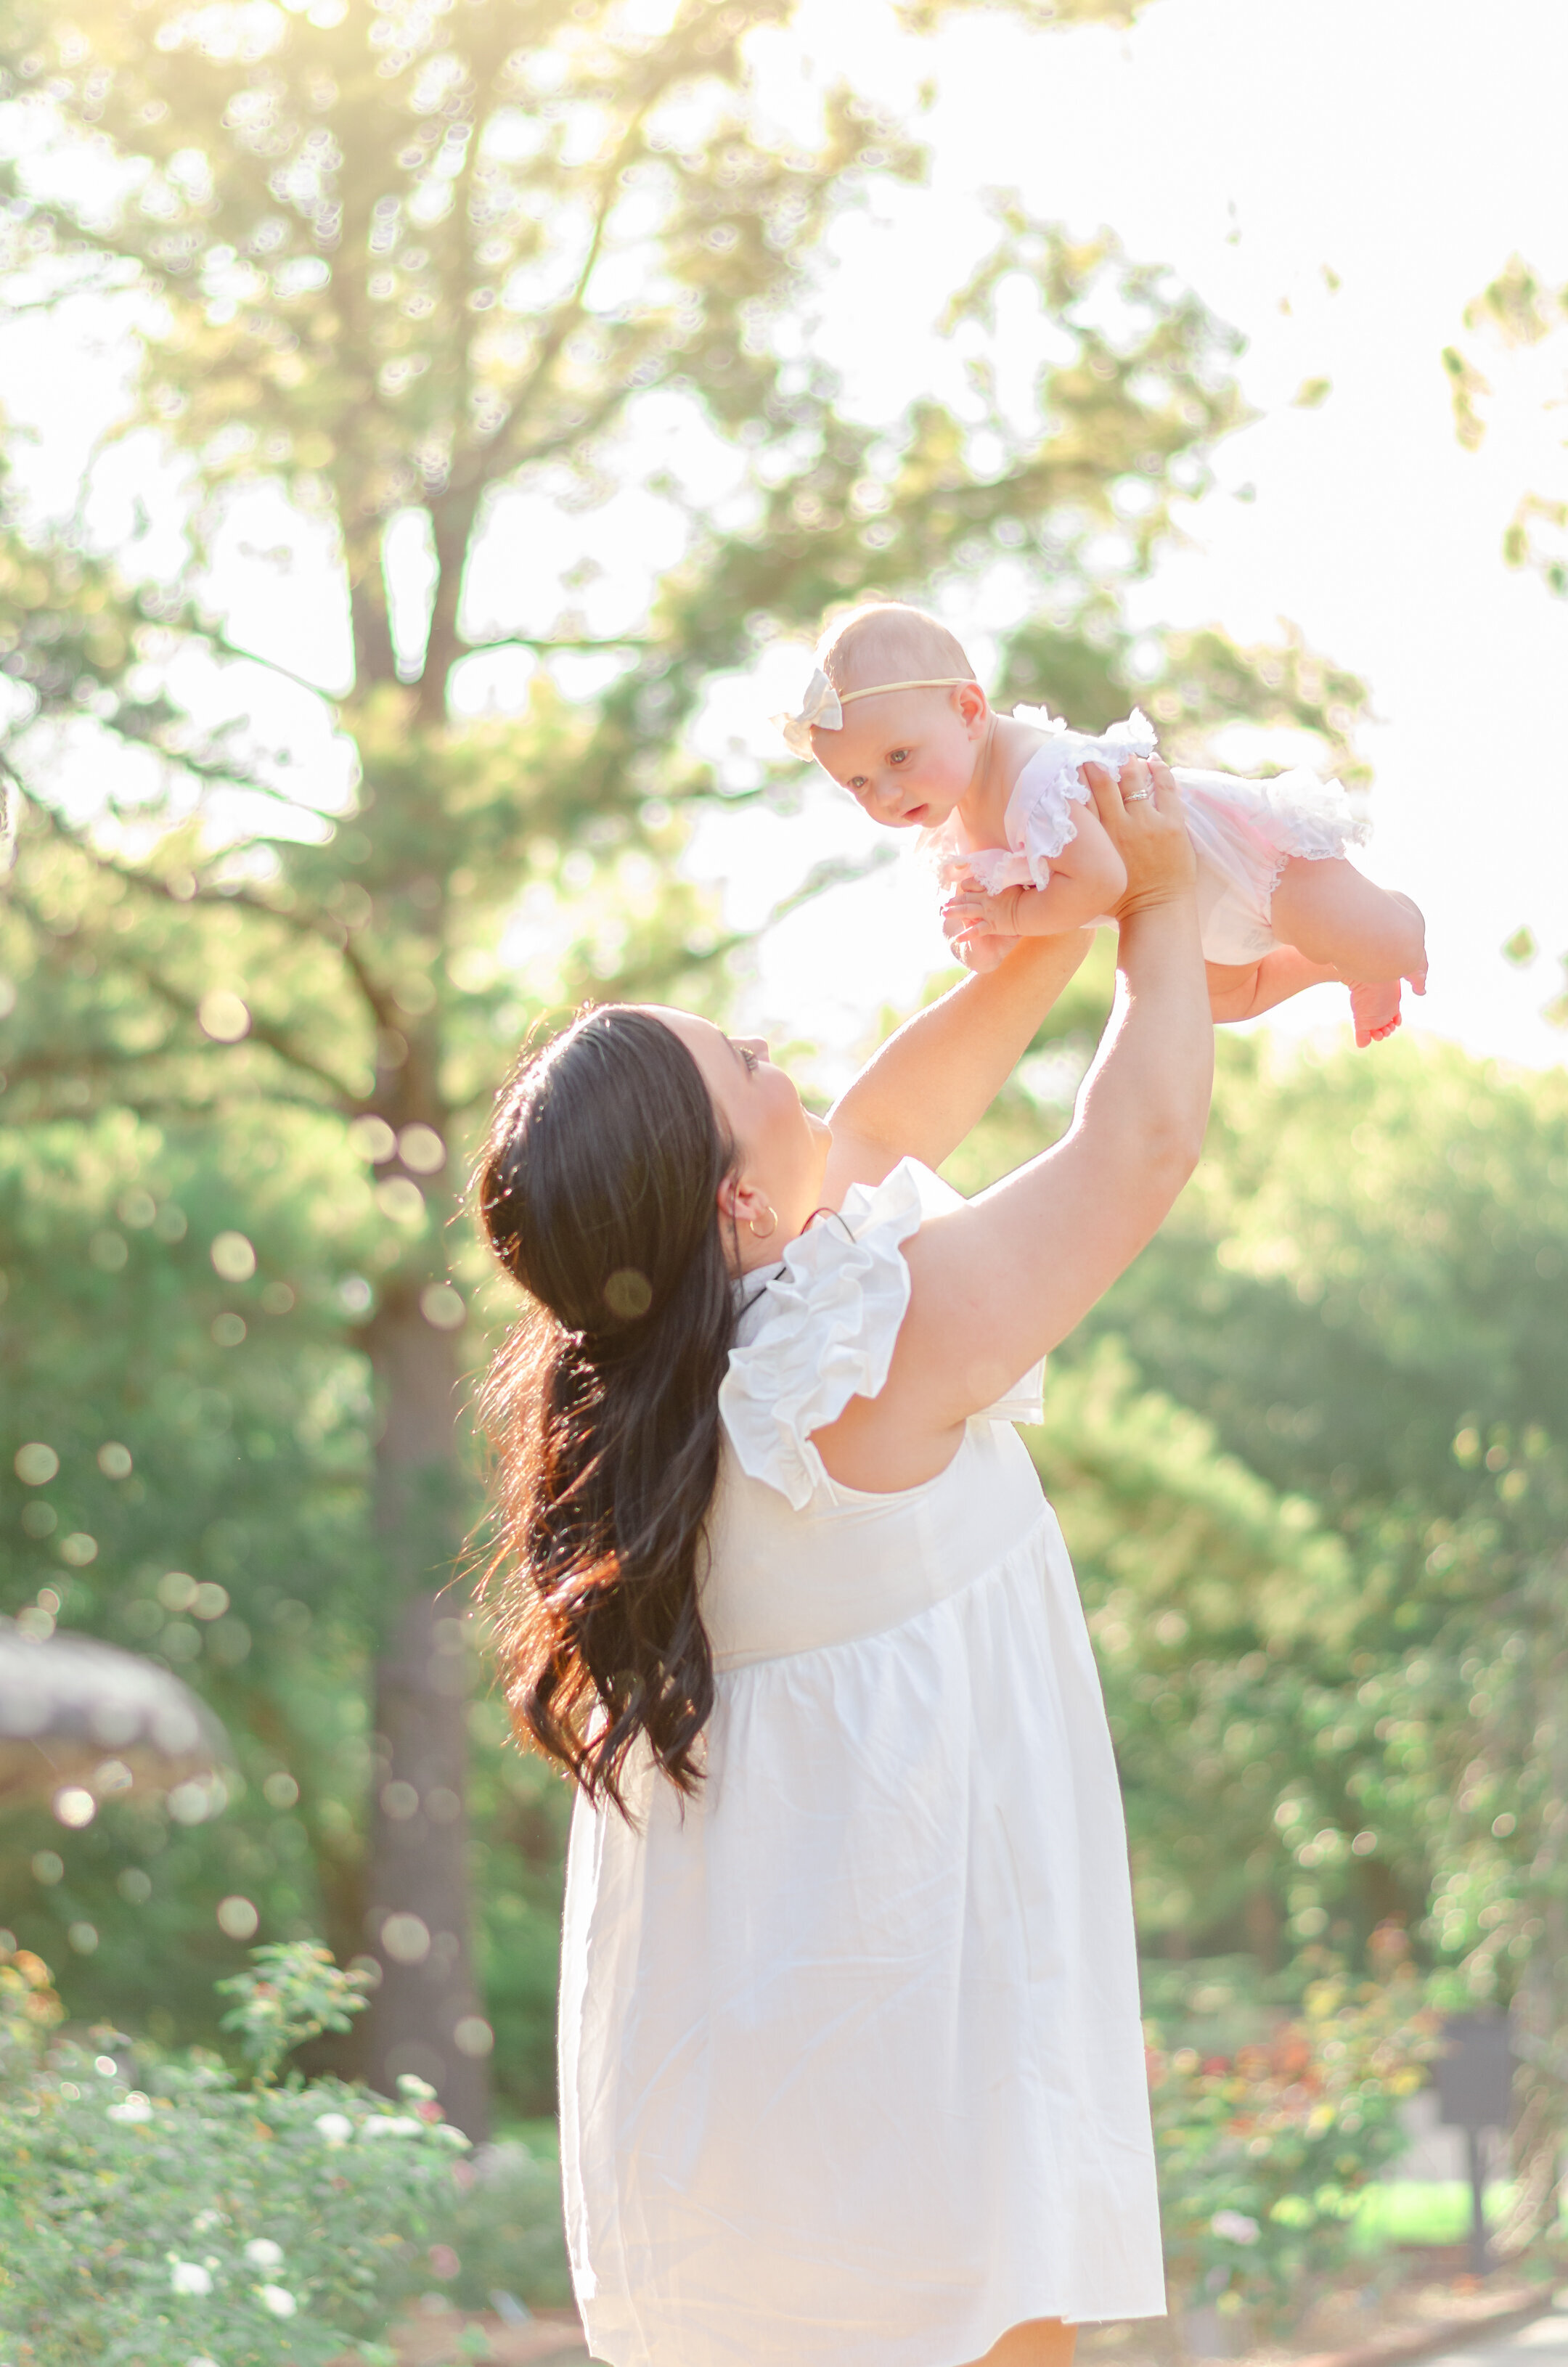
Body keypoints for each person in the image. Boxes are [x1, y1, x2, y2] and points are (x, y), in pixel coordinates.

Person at [474, 757, 1212, 2367]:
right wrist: (1164, 903)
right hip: (907, 2050)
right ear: (739, 1203)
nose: (784, 1056)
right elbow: (1140, 1143)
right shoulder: (852, 1354)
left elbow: (883, 1122)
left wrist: (1054, 933)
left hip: (749, 2083)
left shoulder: (682, 1391)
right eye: (750, 1061)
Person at [779, 599, 1426, 1049]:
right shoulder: (955, 832)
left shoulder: (1037, 776)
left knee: (1381, 940)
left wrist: (1007, 915)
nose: (886, 794)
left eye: (898, 758)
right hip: (1187, 924)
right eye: (858, 783)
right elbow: (998, 929)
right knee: (1229, 999)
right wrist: (979, 935)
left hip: (1243, 866)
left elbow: (1097, 880)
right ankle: (1333, 963)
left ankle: (1391, 924)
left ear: (969, 710)